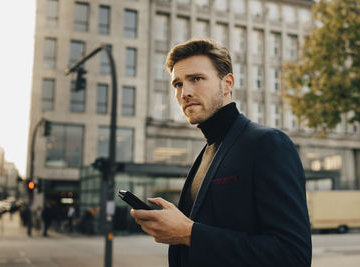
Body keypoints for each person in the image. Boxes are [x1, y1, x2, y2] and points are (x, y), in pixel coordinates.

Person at [130, 39, 312, 267]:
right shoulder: (208, 150)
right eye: (177, 84)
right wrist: (178, 226)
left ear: (227, 84)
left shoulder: (267, 143)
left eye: (196, 79)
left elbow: (293, 256)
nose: (184, 92)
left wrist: (189, 233)